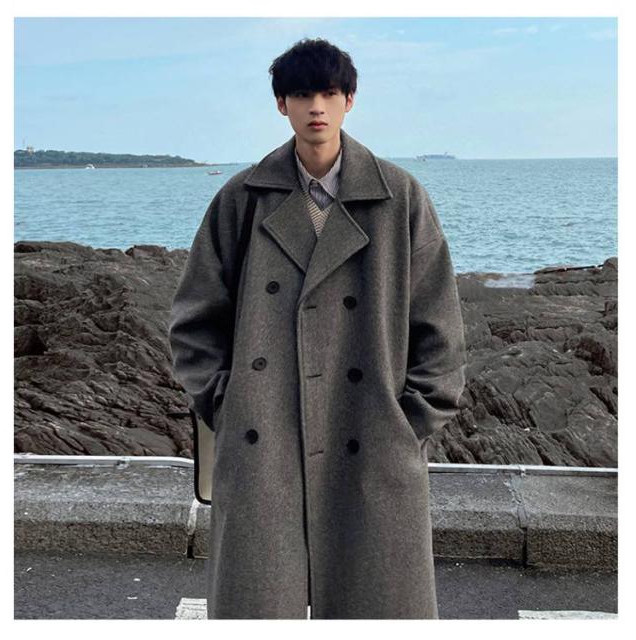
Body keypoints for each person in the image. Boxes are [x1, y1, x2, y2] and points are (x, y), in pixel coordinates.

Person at [169, 37, 467, 619]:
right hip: (265, 439)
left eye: (329, 93)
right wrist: (229, 402)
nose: (316, 107)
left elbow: (439, 325)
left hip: (370, 434)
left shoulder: (399, 198)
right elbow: (194, 320)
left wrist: (408, 421)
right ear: (281, 103)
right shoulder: (241, 200)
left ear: (349, 100)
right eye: (302, 94)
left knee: (378, 608)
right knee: (262, 608)